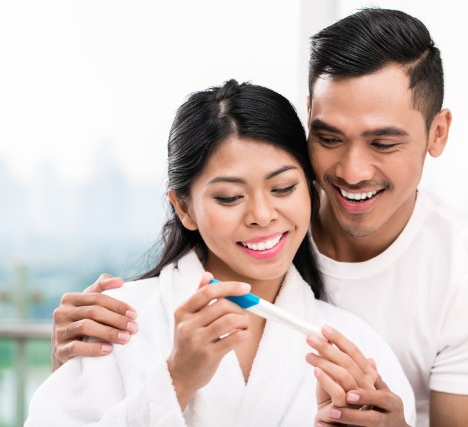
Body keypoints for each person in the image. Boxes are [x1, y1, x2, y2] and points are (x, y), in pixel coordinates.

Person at [51, 8, 468, 427]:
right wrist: (81, 364)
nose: (352, 171)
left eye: (383, 143)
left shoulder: (464, 284)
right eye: (330, 138)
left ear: (437, 134)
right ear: (184, 208)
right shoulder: (128, 323)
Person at [28, 80, 416, 426]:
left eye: (283, 189)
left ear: (311, 190)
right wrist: (176, 381)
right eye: (230, 197)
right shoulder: (116, 323)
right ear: (184, 208)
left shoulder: (356, 344)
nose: (262, 215)